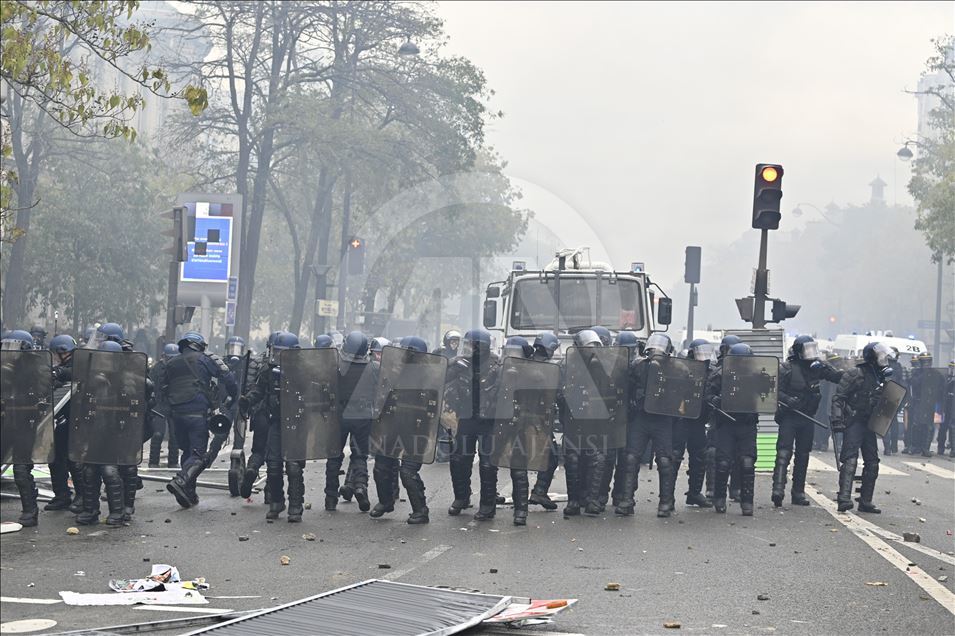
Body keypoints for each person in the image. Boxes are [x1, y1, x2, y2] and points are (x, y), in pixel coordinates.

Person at [161, 331, 237, 510]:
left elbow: (162, 388)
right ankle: (181, 480)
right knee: (199, 454)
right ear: (199, 345)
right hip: (197, 413)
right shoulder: (205, 358)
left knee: (187, 452)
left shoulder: (171, 363)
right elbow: (228, 378)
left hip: (176, 416)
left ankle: (189, 492)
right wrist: (233, 397)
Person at [771, 336, 843, 507]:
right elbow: (774, 390)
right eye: (807, 349)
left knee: (803, 455)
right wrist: (788, 400)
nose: (811, 353)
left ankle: (798, 492)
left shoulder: (816, 368)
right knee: (783, 453)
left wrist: (828, 366)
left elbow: (837, 377)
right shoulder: (787, 368)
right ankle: (778, 490)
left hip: (807, 417)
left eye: (813, 348)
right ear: (798, 351)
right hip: (789, 416)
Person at [241, 331, 303, 521]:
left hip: (296, 424)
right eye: (276, 352)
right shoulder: (268, 370)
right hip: (275, 422)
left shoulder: (302, 371)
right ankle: (277, 502)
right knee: (273, 465)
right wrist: (248, 401)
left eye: (282, 352)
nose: (277, 356)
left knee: (293, 467)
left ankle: (295, 506)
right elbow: (260, 390)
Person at [370, 336, 433, 524]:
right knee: (381, 464)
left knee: (408, 472)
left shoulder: (428, 376)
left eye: (404, 351)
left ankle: (421, 511)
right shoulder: (396, 372)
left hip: (417, 429)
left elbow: (433, 405)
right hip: (395, 427)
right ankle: (386, 502)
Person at [616, 333, 676, 517]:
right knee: (631, 458)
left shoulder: (675, 369)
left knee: (665, 461)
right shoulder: (638, 366)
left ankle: (666, 502)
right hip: (641, 417)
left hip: (662, 419)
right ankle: (626, 500)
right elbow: (625, 387)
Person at [830, 342, 895, 513]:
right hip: (854, 421)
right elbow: (839, 398)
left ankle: (865, 501)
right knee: (850, 460)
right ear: (872, 357)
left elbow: (889, 401)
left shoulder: (881, 376)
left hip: (870, 423)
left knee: (872, 462)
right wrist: (838, 420)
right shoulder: (854, 374)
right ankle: (843, 498)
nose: (884, 358)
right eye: (881, 355)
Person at [444, 329, 501, 520]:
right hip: (467, 418)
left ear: (481, 347)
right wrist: (450, 364)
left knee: (487, 465)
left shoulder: (496, 364)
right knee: (459, 459)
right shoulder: (461, 363)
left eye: (472, 344)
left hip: (488, 421)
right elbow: (439, 379)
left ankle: (487, 504)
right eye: (466, 344)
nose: (468, 348)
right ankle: (461, 497)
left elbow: (508, 388)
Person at [706, 343, 760, 516]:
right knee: (723, 463)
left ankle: (747, 501)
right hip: (726, 424)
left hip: (747, 424)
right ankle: (719, 499)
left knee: (747, 462)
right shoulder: (720, 374)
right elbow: (707, 395)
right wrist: (716, 401)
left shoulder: (757, 376)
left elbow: (769, 394)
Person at [327, 331, 376, 512]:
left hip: (340, 415)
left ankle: (330, 498)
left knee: (334, 455)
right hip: (362, 416)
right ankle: (361, 487)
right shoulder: (372, 367)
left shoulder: (338, 365)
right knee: (359, 455)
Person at [3, 330, 43, 527]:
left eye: (13, 347)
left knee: (20, 468)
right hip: (5, 422)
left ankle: (30, 511)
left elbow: (42, 392)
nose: (9, 351)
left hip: (25, 423)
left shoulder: (35, 367)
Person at [673, 338, 715, 508]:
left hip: (698, 420)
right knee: (674, 457)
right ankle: (667, 497)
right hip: (681, 420)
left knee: (700, 457)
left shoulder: (710, 371)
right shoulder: (680, 369)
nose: (703, 356)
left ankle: (694, 493)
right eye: (700, 352)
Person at [44, 334, 82, 512]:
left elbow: (76, 372)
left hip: (75, 420)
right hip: (60, 418)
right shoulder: (63, 366)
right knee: (56, 458)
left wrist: (58, 373)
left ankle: (82, 496)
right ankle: (62, 496)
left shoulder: (78, 364)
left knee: (73, 459)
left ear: (62, 352)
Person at [528, 331, 561, 510]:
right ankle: (538, 492)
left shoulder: (524, 363)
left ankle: (537, 493)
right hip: (538, 420)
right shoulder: (547, 369)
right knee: (552, 457)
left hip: (523, 419)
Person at [147, 344, 180, 468]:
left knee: (174, 435)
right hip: (159, 405)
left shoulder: (179, 370)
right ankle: (153, 462)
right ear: (164, 357)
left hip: (173, 404)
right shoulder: (156, 369)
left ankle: (173, 461)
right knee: (157, 434)